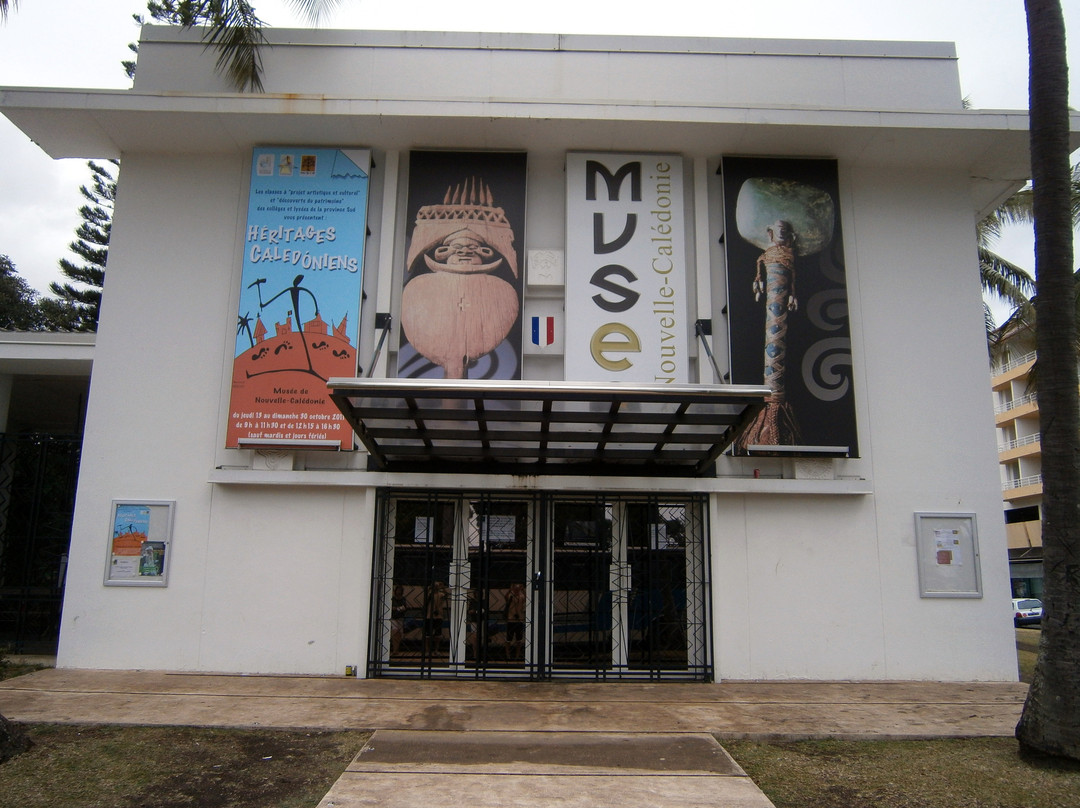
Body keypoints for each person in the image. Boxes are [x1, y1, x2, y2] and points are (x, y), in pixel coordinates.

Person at [424, 581, 448, 657]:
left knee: (438, 634)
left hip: (439, 616)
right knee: (428, 634)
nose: (436, 587)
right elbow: (426, 600)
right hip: (429, 615)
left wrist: (443, 587)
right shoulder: (429, 594)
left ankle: (436, 650)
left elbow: (446, 596)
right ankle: (427, 650)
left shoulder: (440, 594)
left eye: (437, 586)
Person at [504, 582, 526, 661]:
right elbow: (506, 597)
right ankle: (508, 655)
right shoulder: (511, 596)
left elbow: (526, 599)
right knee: (508, 639)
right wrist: (510, 590)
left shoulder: (521, 596)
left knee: (519, 639)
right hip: (511, 620)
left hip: (519, 620)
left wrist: (522, 590)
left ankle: (517, 655)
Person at [390, 585, 407, 656]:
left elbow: (404, 607)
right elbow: (392, 608)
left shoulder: (403, 599)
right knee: (395, 631)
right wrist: (398, 608)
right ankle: (394, 649)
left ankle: (397, 649)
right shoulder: (392, 599)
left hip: (400, 617)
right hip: (393, 617)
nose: (399, 591)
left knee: (399, 634)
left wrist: (397, 608)